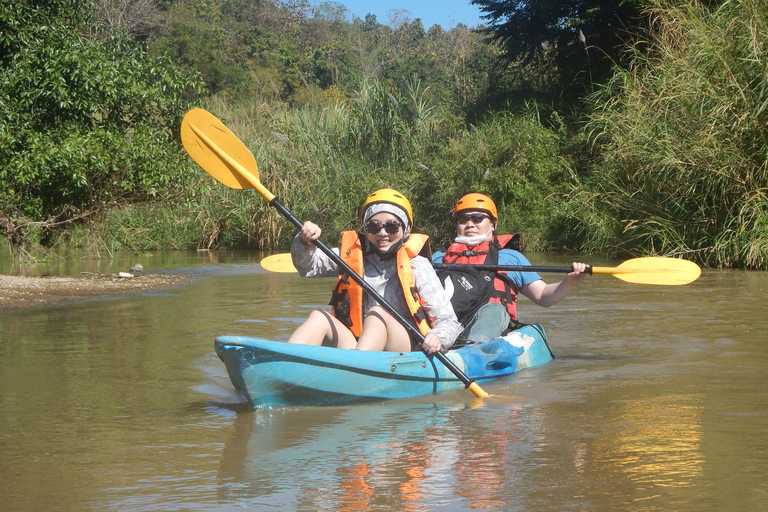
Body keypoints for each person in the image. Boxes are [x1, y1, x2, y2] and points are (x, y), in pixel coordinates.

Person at [288, 188, 462, 353]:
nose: (382, 233)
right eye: (373, 227)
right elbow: (308, 267)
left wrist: (437, 337)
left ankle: (357, 370)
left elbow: (449, 321)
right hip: (359, 344)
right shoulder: (349, 256)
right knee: (319, 317)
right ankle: (284, 361)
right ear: (365, 229)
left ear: (405, 229)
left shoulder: (418, 265)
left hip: (403, 346)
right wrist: (304, 242)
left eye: (392, 227)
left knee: (378, 313)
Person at [432, 193, 588, 344]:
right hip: (445, 324)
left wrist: (569, 282)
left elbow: (543, 297)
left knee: (494, 309)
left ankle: (474, 347)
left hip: (490, 325)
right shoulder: (438, 258)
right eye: (463, 219)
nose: (470, 224)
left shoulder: (509, 258)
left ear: (493, 225)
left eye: (478, 218)